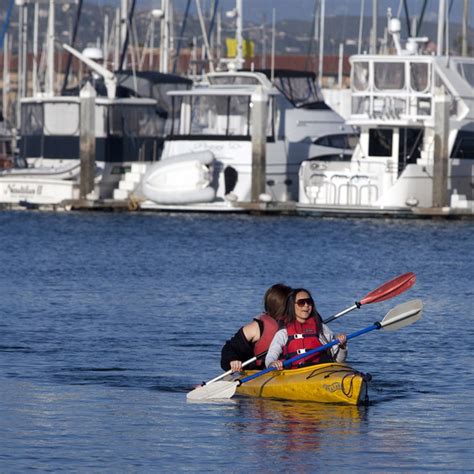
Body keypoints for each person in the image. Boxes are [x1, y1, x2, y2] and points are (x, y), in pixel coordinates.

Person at [265, 288, 347, 370]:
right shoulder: (283, 333)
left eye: (309, 302)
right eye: (301, 302)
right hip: (294, 374)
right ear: (292, 305)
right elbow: (271, 355)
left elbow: (339, 360)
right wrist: (272, 363)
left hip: (320, 372)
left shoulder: (322, 329)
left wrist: (342, 347)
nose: (306, 305)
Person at [220, 283, 292, 372]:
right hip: (257, 373)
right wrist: (232, 360)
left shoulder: (296, 324)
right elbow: (229, 348)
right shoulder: (256, 328)